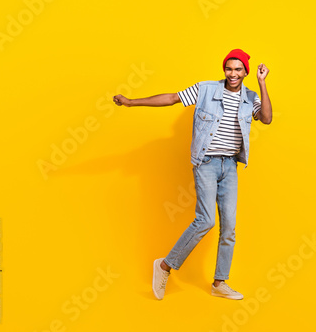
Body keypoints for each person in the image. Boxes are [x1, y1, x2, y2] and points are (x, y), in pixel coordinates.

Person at [113, 49, 272, 300]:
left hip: (230, 166)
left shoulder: (250, 97)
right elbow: (172, 98)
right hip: (206, 162)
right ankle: (165, 265)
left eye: (238, 69)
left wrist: (262, 83)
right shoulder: (206, 89)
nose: (233, 74)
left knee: (229, 227)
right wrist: (132, 102)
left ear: (246, 73)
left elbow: (266, 118)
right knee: (206, 220)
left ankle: (219, 283)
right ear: (224, 70)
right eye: (229, 68)